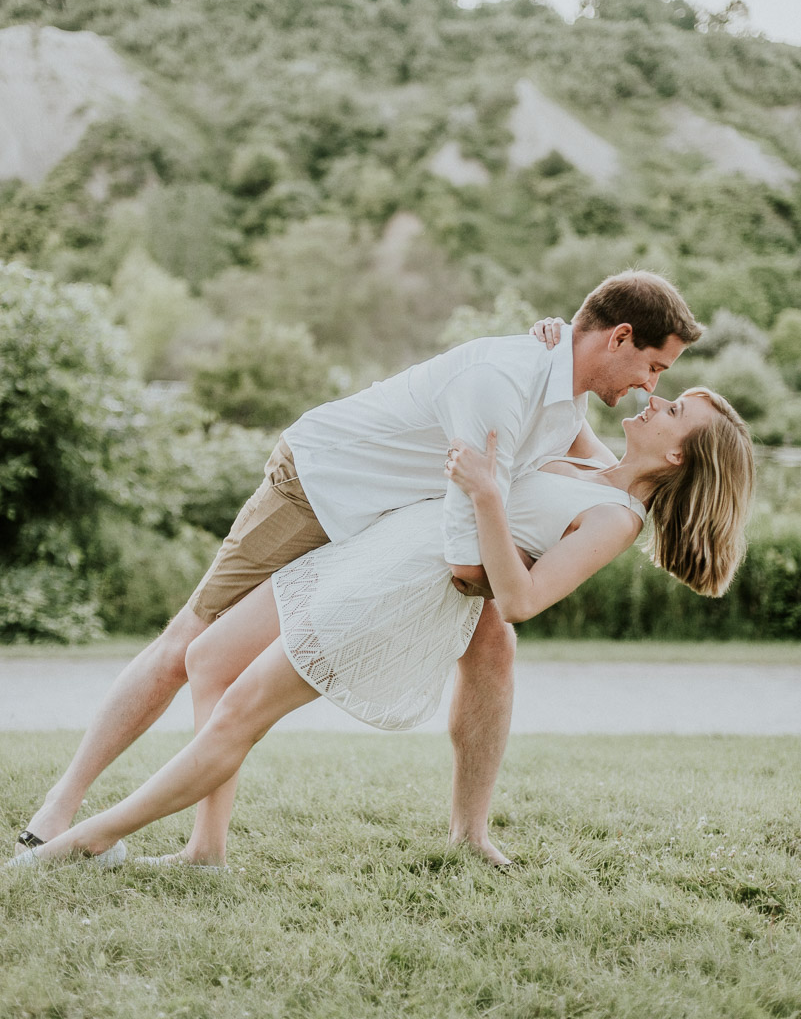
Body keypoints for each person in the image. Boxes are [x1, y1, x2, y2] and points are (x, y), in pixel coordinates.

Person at [16, 271, 701, 866]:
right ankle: (60, 810)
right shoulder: (506, 382)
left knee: (493, 642)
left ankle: (465, 833)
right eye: (654, 368)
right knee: (187, 649)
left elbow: (538, 504)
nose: (649, 387)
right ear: (617, 337)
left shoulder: (565, 402)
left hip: (394, 526)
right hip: (322, 489)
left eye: (661, 382)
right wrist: (488, 566)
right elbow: (469, 552)